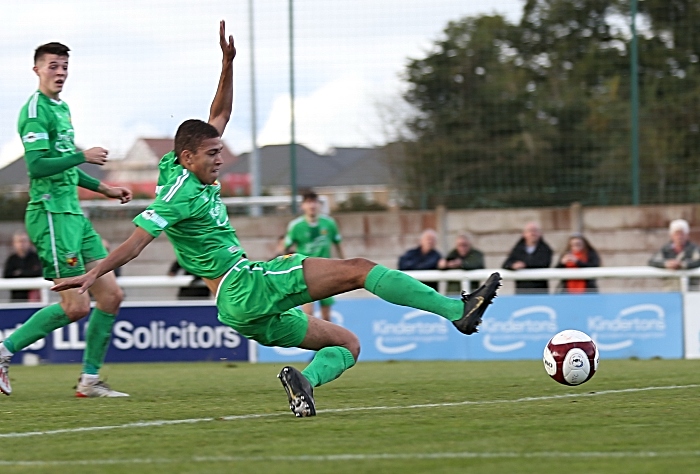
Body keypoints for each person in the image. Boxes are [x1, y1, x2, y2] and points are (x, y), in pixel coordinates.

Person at [50, 23, 502, 417]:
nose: (221, 160)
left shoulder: (175, 164)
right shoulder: (177, 193)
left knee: (347, 344)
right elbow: (135, 243)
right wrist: (94, 273)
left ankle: (304, 383)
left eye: (219, 151)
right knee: (360, 270)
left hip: (237, 310)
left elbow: (219, 116)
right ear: (188, 158)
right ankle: (456, 311)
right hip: (243, 284)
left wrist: (226, 64)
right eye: (212, 155)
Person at [0, 41, 134, 398]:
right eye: (53, 66)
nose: (60, 73)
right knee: (75, 306)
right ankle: (3, 351)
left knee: (112, 296)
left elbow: (66, 168)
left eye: (64, 67)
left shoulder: (62, 109)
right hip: (51, 215)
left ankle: (89, 381)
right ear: (37, 69)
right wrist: (82, 156)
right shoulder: (34, 111)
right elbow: (38, 165)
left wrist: (105, 189)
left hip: (74, 215)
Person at [284, 191, 344, 322]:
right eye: (308, 202)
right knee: (308, 315)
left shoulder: (329, 224)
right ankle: (311, 341)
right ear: (303, 206)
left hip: (327, 272)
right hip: (304, 273)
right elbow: (285, 248)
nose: (312, 206)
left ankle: (328, 342)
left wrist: (344, 264)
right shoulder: (296, 226)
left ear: (319, 205)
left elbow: (338, 245)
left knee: (327, 317)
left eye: (314, 202)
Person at [502, 222, 553, 294]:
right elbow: (505, 264)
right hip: (522, 289)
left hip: (540, 289)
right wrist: (513, 266)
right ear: (524, 234)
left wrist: (524, 265)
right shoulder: (517, 250)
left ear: (540, 234)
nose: (533, 233)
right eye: (530, 231)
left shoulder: (546, 249)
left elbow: (544, 263)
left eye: (535, 231)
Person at [648, 220, 700, 288]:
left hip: (690, 288)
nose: (679, 237)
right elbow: (652, 261)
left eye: (682, 234)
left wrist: (682, 264)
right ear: (671, 235)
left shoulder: (693, 249)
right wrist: (666, 264)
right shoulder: (666, 249)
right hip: (671, 288)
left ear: (687, 235)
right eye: (677, 234)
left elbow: (698, 261)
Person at [2, 231, 43, 302]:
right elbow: (7, 275)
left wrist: (20, 272)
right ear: (14, 244)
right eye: (19, 241)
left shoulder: (36, 258)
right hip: (16, 298)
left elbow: (40, 273)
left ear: (29, 243)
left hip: (34, 298)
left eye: (24, 241)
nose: (22, 244)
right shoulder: (11, 259)